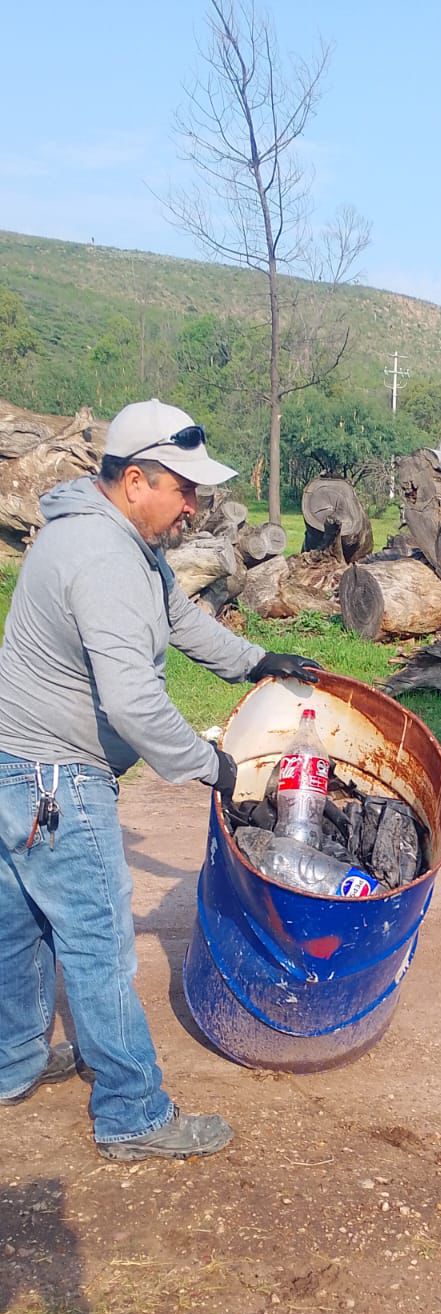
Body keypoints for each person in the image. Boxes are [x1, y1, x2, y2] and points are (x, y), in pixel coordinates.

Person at [0, 399, 319, 1161]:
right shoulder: (104, 558)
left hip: (18, 767)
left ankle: (14, 1061)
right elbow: (135, 702)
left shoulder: (109, 537)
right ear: (136, 478)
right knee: (100, 943)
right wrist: (213, 767)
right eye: (185, 490)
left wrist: (256, 661)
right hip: (57, 779)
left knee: (21, 929)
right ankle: (133, 1114)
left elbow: (178, 617)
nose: (194, 507)